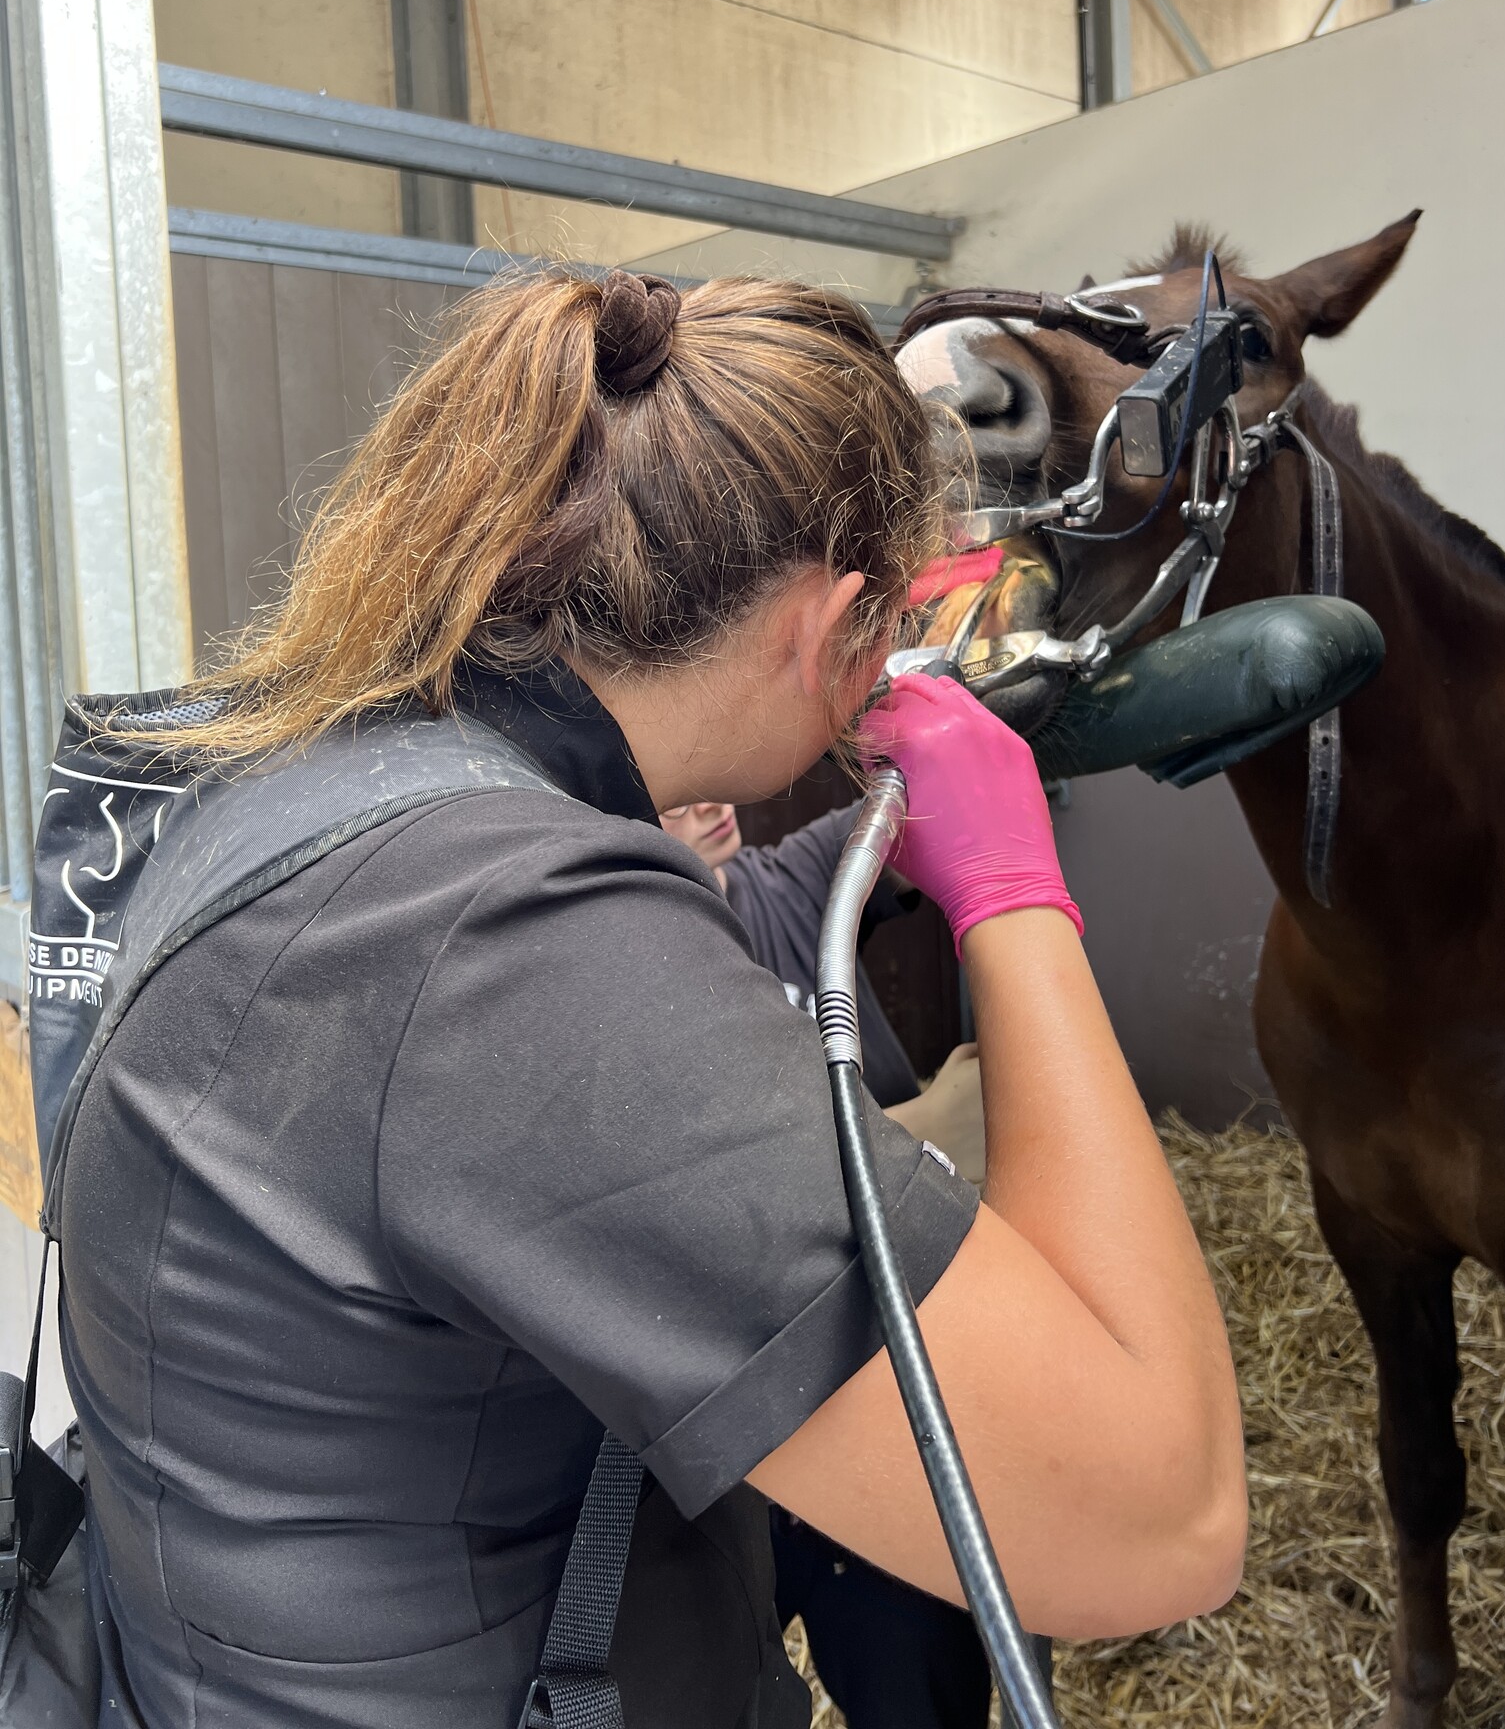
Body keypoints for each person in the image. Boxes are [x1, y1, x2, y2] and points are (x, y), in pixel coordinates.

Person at [59, 270, 1246, 1729]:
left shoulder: (319, 779)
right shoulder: (507, 949)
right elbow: (1165, 1514)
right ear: (830, 625)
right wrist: (1012, 894)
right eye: (886, 629)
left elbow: (634, 1029)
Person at [661, 795, 993, 1724]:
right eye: (666, 791)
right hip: (738, 1452)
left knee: (917, 1682)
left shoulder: (794, 881)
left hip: (881, 1413)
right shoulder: (612, 958)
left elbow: (929, 804)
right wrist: (920, 1138)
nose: (706, 799)